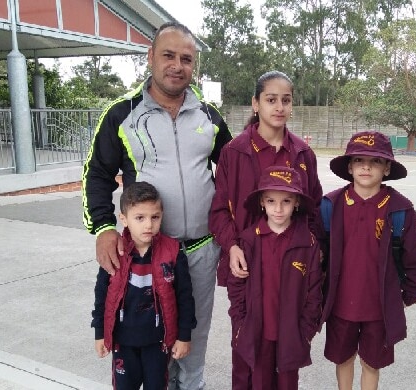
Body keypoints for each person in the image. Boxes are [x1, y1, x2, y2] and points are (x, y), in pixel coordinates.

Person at [82, 22, 232, 390]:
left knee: (191, 339)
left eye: (186, 59)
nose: (177, 65)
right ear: (150, 58)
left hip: (199, 251)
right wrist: (103, 228)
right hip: (145, 255)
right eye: (168, 55)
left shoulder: (209, 116)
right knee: (146, 343)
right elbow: (97, 173)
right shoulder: (122, 115)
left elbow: (235, 171)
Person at [320, 131, 416, 390]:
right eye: (359, 160)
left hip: (379, 311)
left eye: (375, 161)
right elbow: (313, 254)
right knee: (344, 358)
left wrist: (401, 297)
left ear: (386, 169)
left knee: (372, 364)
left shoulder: (399, 211)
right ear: (349, 166)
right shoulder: (330, 206)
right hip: (340, 307)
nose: (366, 166)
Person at [210, 70, 323, 287]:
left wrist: (314, 247)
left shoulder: (303, 153)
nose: (279, 107)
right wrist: (232, 246)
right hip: (247, 261)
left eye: (286, 100)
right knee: (248, 320)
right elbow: (219, 209)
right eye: (271, 100)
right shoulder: (233, 152)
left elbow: (315, 208)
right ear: (256, 103)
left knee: (294, 320)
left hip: (294, 263)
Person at [91, 181, 196, 389]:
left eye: (154, 217)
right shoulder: (114, 252)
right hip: (123, 343)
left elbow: (185, 298)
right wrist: (100, 333)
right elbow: (101, 295)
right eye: (140, 218)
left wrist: (184, 336)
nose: (148, 225)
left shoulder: (173, 252)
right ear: (124, 219)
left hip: (157, 344)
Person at [227, 166, 323, 390]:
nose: (278, 209)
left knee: (287, 384)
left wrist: (305, 332)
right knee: (256, 382)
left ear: (297, 202)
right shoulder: (249, 239)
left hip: (290, 334)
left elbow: (314, 292)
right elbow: (236, 286)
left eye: (286, 201)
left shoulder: (307, 243)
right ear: (262, 202)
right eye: (271, 201)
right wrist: (241, 324)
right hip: (256, 332)